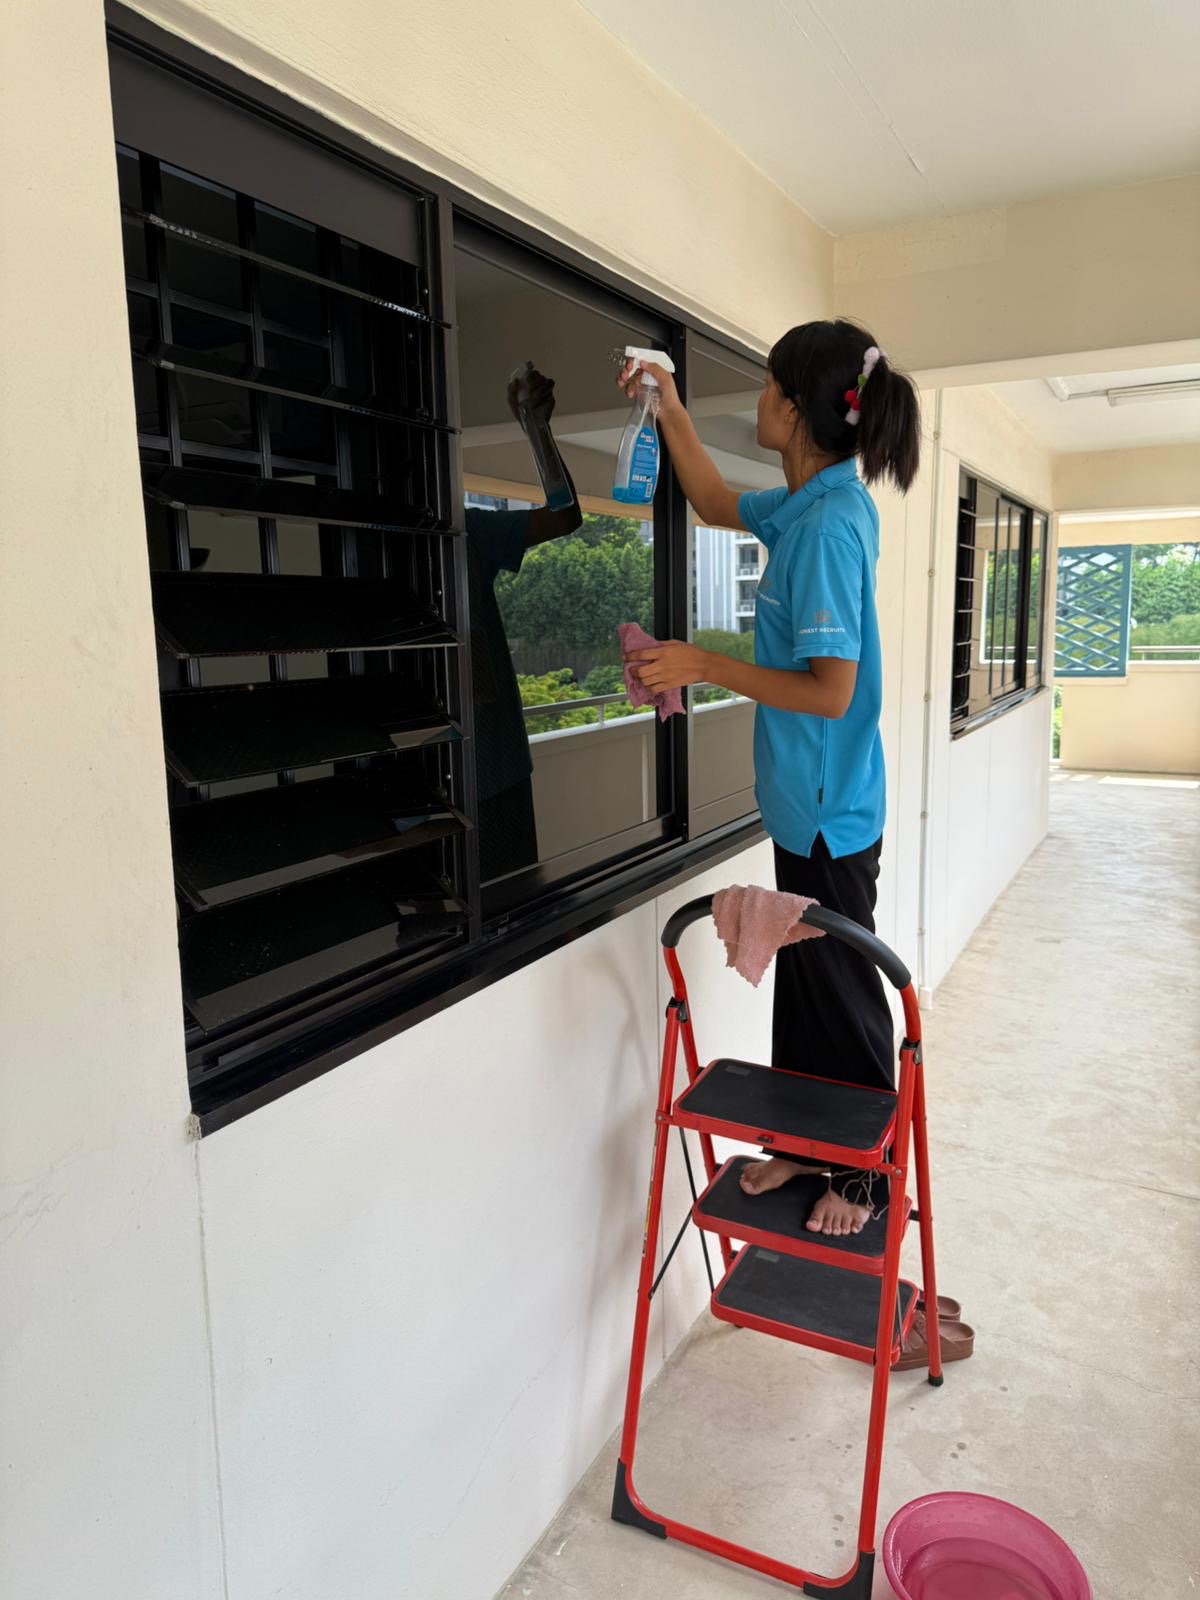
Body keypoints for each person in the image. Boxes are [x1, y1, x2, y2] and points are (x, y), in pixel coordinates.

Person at [620, 320, 920, 1239]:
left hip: (830, 813)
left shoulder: (827, 528)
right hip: (804, 805)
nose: (755, 399)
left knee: (844, 995)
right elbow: (712, 499)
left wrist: (704, 665)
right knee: (807, 980)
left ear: (792, 410)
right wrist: (667, 406)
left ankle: (865, 1180)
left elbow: (832, 692)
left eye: (764, 386)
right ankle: (804, 1142)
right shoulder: (802, 503)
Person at [465, 368, 582, 881]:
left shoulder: (465, 531)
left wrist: (536, 428)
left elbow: (564, 517)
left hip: (497, 772)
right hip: (416, 790)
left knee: (512, 905)